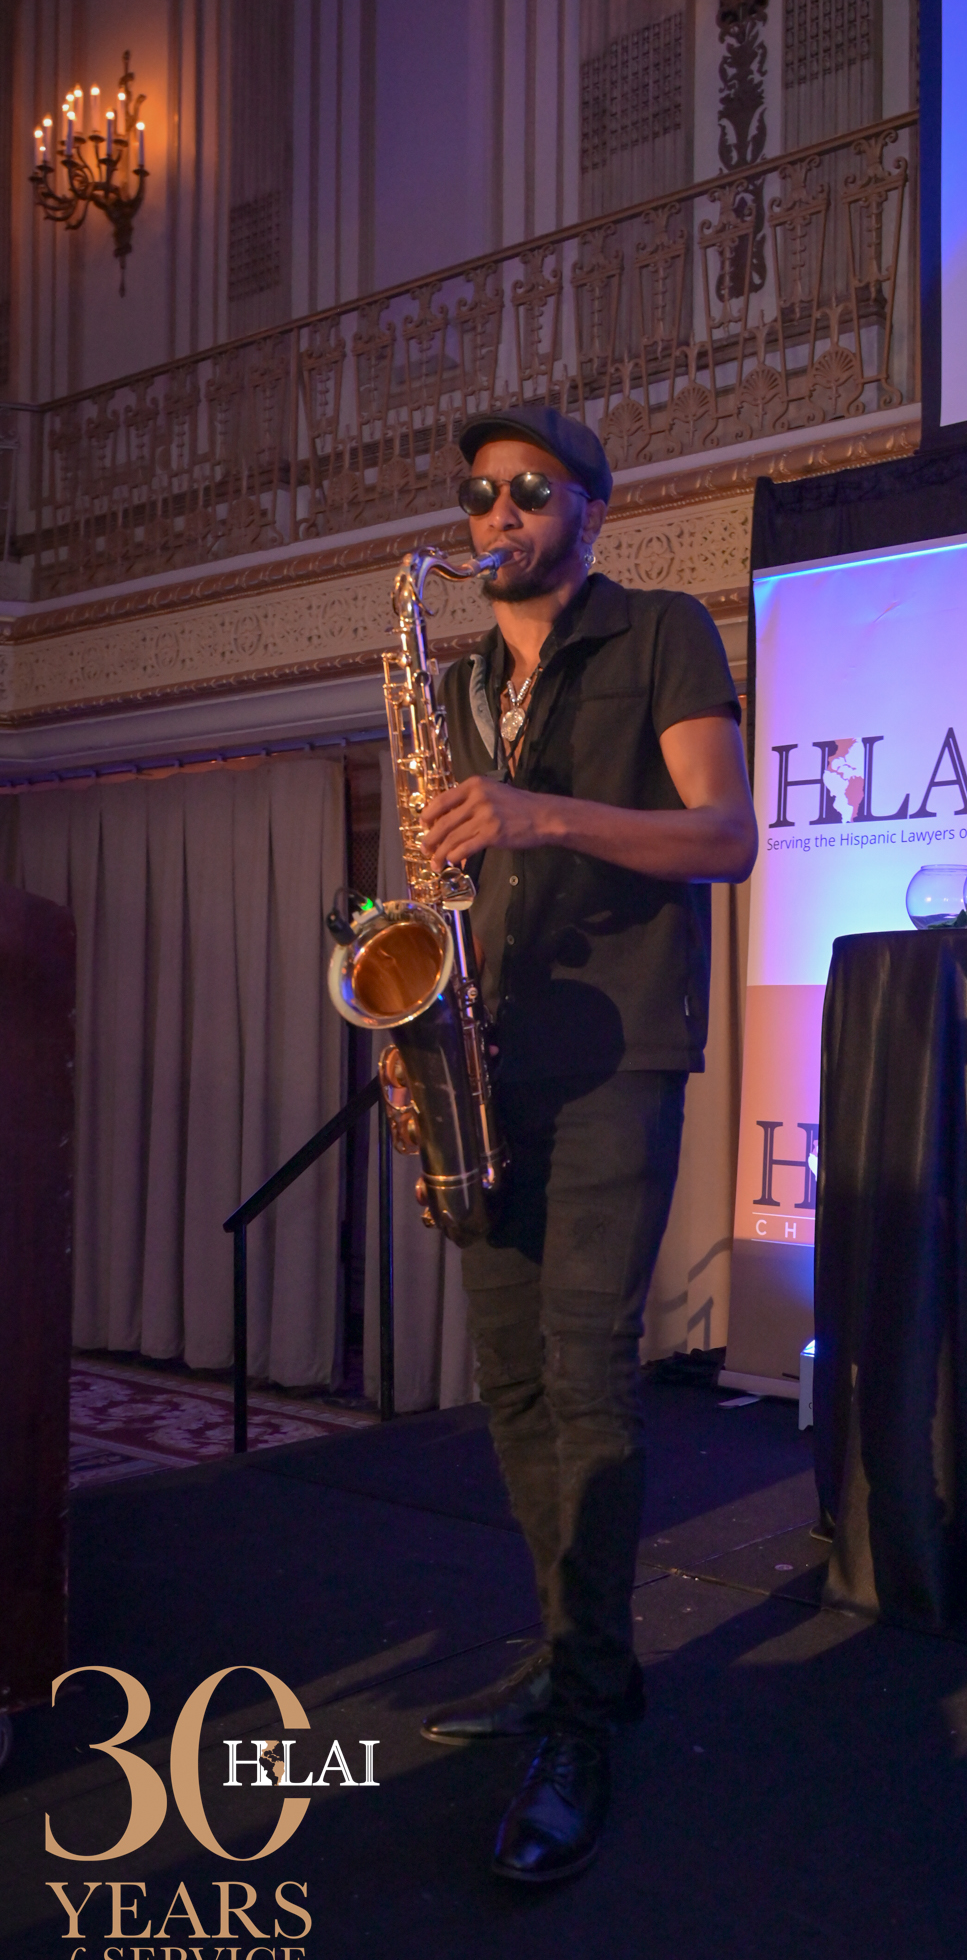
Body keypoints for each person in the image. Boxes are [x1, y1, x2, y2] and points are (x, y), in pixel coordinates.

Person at [416, 404, 757, 1885]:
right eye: (480, 494)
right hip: (485, 1066)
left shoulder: (663, 630)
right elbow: (446, 873)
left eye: (530, 491)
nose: (497, 515)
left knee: (586, 1373)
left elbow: (726, 838)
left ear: (592, 509)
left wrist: (540, 815)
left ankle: (585, 1711)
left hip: (617, 1055)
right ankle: (573, 1655)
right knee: (508, 1379)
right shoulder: (455, 680)